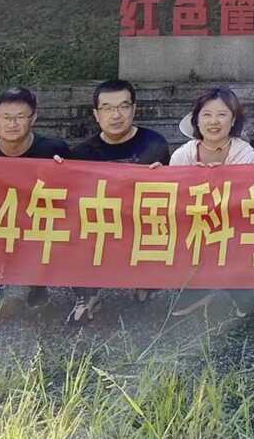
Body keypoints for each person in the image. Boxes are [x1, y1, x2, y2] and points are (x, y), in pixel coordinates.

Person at [0, 86, 71, 322]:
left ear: (34, 118)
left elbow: (80, 190)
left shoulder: (55, 150)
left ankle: (37, 286)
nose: (12, 124)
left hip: (40, 225)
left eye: (20, 117)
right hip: (1, 226)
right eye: (6, 117)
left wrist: (63, 172)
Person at [66, 79, 170, 324]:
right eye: (107, 108)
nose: (116, 115)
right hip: (100, 223)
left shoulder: (154, 143)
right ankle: (86, 294)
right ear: (96, 114)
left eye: (123, 106)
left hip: (140, 219)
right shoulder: (82, 153)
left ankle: (145, 279)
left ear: (134, 109)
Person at [167, 87, 254, 317]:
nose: (213, 121)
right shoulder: (182, 155)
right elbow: (172, 199)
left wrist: (223, 180)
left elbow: (251, 203)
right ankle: (200, 286)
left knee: (248, 306)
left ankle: (234, 286)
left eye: (222, 114)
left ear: (233, 120)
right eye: (207, 115)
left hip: (235, 231)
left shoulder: (246, 156)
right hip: (193, 229)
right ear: (197, 120)